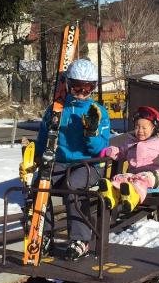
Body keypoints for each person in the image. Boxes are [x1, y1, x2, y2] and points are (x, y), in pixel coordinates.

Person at [32, 58, 111, 261]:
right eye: (77, 87)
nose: (82, 93)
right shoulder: (56, 109)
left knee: (73, 185)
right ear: (68, 84)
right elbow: (44, 136)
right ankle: (43, 233)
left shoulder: (97, 112)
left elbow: (101, 149)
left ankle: (80, 239)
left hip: (89, 163)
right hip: (60, 161)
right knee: (39, 184)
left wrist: (91, 133)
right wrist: (37, 157)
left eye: (88, 88)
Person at [99, 106, 159, 213]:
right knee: (121, 178)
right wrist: (109, 151)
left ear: (154, 128)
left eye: (144, 128)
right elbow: (120, 152)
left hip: (155, 175)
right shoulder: (130, 142)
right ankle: (111, 195)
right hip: (134, 174)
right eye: (137, 127)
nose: (140, 131)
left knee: (142, 178)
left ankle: (132, 198)